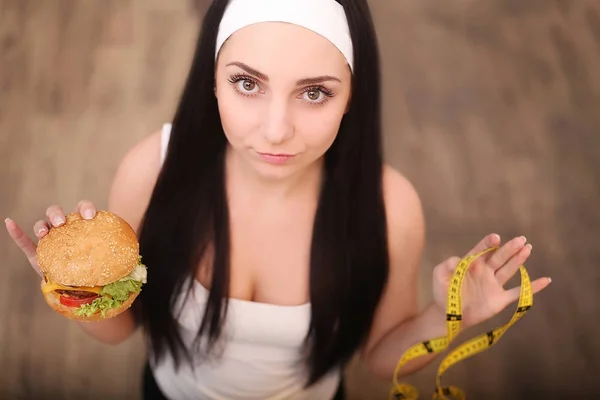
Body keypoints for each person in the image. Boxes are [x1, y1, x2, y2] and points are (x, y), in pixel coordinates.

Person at [5, 0, 552, 399]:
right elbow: (118, 330)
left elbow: (383, 360)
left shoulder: (390, 208)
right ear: (213, 81)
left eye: (314, 92)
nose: (274, 130)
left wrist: (448, 314)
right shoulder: (152, 170)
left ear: (350, 96)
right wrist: (78, 291)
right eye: (247, 84)